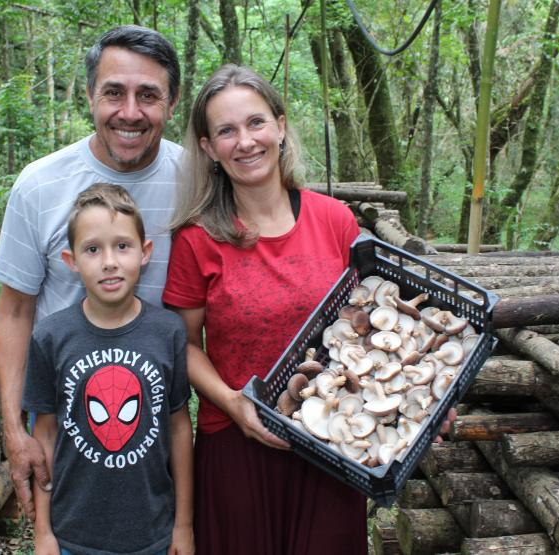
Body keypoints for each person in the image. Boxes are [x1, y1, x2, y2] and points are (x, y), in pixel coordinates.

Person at [162, 64, 368, 554]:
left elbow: (366, 326)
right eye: (226, 131)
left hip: (332, 436)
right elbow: (185, 344)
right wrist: (233, 402)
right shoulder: (197, 239)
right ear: (209, 148)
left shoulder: (334, 220)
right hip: (237, 443)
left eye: (256, 123)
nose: (245, 141)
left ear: (279, 125)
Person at [0, 25, 182, 519]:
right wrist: (15, 430)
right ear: (91, 96)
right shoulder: (40, 185)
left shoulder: (198, 179)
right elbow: (14, 311)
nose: (130, 112)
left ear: (173, 102)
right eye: (113, 92)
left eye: (149, 95)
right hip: (60, 411)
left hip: (158, 407)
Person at [23, 183, 193, 555]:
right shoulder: (50, 337)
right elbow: (45, 435)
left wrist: (184, 525)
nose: (109, 262)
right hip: (73, 534)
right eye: (93, 249)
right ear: (71, 260)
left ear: (145, 252)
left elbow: (179, 427)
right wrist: (43, 534)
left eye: (122, 246)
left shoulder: (168, 332)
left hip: (153, 532)